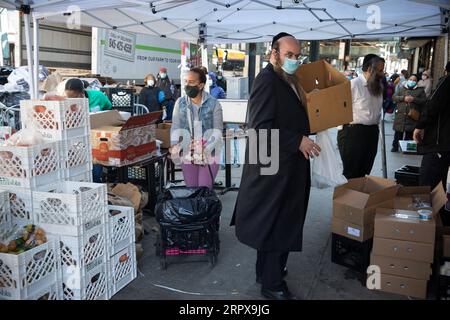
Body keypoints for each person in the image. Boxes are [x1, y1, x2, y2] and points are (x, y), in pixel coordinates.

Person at [231, 32, 321, 300]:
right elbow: (259, 127)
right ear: (274, 53)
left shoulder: (289, 79)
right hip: (274, 166)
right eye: (289, 55)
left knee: (279, 220)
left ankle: (266, 272)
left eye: (297, 56)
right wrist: (297, 141)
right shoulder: (267, 80)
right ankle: (272, 284)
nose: (294, 60)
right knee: (277, 222)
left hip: (286, 165)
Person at [170, 67, 223, 189]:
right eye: (186, 82)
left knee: (203, 189)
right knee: (192, 189)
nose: (187, 85)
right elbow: (175, 126)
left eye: (191, 82)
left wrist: (206, 147)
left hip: (210, 151)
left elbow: (217, 130)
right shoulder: (180, 103)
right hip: (188, 150)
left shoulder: (214, 103)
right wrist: (175, 146)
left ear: (201, 85)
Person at [337, 54, 385, 179]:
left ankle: (358, 198)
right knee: (352, 173)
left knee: (364, 172)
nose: (382, 73)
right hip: (354, 134)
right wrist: (344, 132)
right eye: (380, 70)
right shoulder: (353, 84)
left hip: (372, 132)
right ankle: (347, 198)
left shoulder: (378, 86)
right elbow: (339, 109)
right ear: (369, 69)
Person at [414, 61, 450, 190]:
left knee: (429, 185)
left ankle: (430, 209)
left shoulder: (446, 82)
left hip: (440, 144)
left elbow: (433, 106)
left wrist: (420, 126)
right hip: (444, 144)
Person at [391, 74, 426, 152]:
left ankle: (407, 148)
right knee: (398, 132)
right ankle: (395, 146)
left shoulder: (420, 90)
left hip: (412, 115)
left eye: (414, 80)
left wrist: (413, 99)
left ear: (417, 82)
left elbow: (423, 101)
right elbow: (394, 97)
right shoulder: (401, 88)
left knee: (409, 133)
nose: (412, 81)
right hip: (400, 114)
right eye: (411, 79)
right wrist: (403, 98)